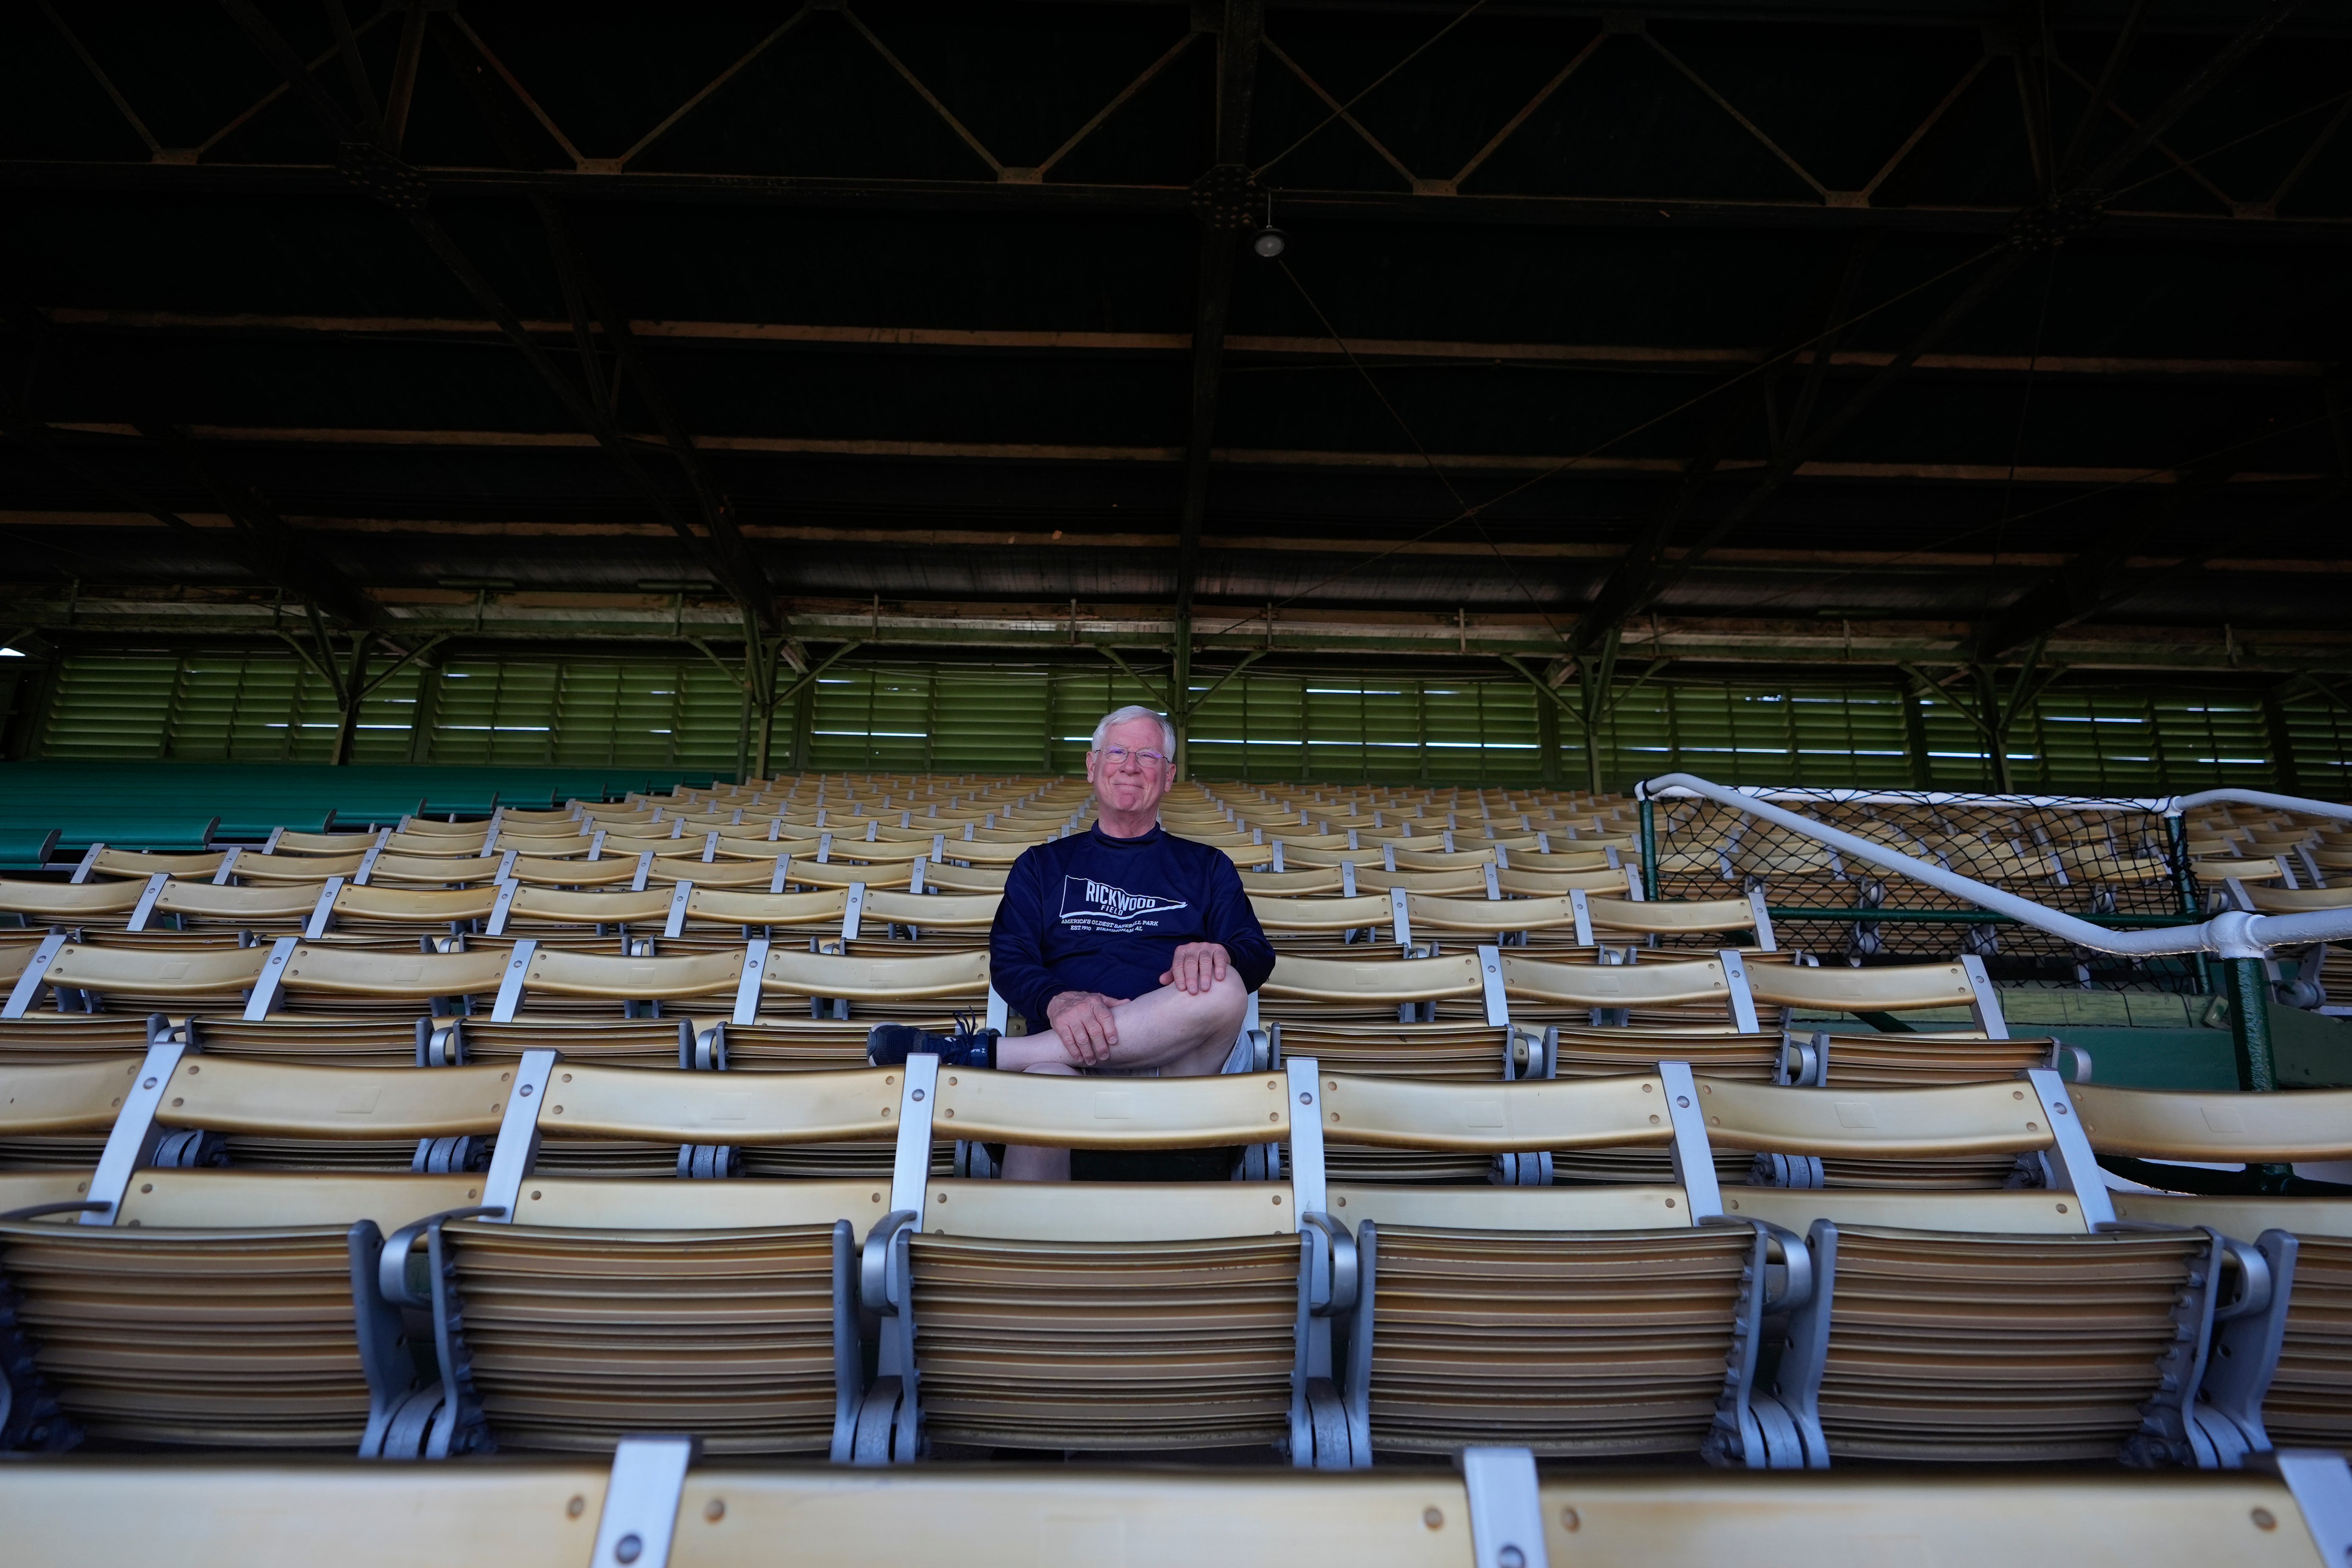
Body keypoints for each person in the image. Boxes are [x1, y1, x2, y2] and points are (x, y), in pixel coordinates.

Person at [866, 704, 1276, 1180]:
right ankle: (1027, 1254)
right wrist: (1056, 999)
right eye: (1118, 751)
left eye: (1147, 755)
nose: (1130, 765)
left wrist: (1219, 951)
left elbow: (1256, 951)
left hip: (1184, 1069)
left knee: (1225, 987)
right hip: (1065, 1061)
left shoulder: (1207, 865)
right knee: (1042, 1084)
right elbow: (1011, 958)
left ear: (1168, 777)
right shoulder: (1042, 866)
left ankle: (983, 1055)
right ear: (1092, 766)